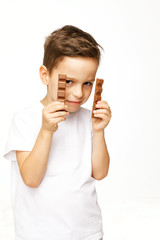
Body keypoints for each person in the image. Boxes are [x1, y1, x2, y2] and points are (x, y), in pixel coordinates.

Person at [3, 25, 112, 240]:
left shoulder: (88, 119)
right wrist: (46, 131)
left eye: (87, 83)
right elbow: (31, 178)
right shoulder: (26, 119)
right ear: (45, 75)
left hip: (87, 232)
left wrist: (99, 132)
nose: (79, 93)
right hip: (40, 233)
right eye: (69, 81)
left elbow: (99, 173)